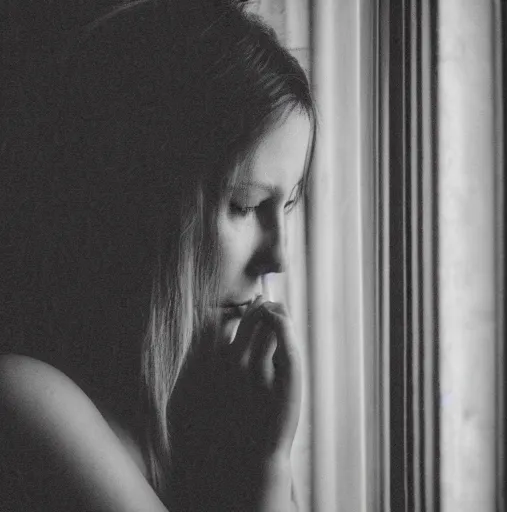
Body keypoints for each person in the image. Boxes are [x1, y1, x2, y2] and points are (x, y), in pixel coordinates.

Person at [0, 0, 316, 510]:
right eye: (245, 205)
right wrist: (267, 467)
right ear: (138, 200)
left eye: (290, 203)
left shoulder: (216, 406)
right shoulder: (24, 402)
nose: (277, 256)